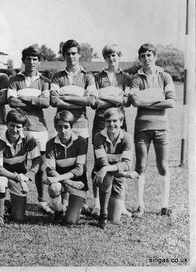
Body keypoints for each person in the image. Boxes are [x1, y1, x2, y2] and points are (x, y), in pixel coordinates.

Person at [50, 39, 96, 212]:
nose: (71, 57)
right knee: (62, 161)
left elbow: (91, 101)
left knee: (80, 164)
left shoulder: (88, 76)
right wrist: (79, 100)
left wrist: (66, 97)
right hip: (62, 125)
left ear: (79, 55)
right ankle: (64, 200)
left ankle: (81, 200)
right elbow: (54, 101)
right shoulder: (57, 76)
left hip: (80, 125)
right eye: (68, 54)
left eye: (74, 53)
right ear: (64, 55)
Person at [7, 45, 53, 215]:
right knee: (18, 163)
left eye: (35, 59)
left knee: (41, 166)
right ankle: (16, 200)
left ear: (39, 62)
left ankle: (42, 201)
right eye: (28, 59)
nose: (32, 62)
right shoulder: (14, 80)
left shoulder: (45, 81)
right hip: (19, 128)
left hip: (39, 128)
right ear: (23, 60)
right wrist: (36, 100)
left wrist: (24, 97)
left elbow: (46, 103)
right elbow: (12, 102)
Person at [130, 43, 175, 217]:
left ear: (155, 57)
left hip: (162, 128)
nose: (147, 59)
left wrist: (145, 102)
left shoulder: (165, 76)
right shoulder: (136, 78)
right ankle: (139, 205)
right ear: (139, 58)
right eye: (143, 56)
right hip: (142, 127)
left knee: (162, 165)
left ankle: (164, 205)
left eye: (150, 55)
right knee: (140, 165)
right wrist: (157, 100)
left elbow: (170, 102)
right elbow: (135, 102)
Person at [91, 44, 132, 217]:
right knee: (99, 162)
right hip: (101, 121)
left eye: (114, 55)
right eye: (108, 55)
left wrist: (104, 95)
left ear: (119, 56)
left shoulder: (127, 77)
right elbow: (94, 102)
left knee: (120, 160)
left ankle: (119, 203)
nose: (111, 58)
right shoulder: (97, 76)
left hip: (119, 122)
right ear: (105, 58)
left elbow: (126, 101)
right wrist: (115, 99)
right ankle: (97, 204)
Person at [0, 109, 41, 227]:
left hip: (20, 177)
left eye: (18, 127)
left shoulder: (29, 138)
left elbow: (37, 160)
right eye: (11, 125)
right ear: (6, 124)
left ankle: (8, 206)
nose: (14, 130)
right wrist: (17, 177)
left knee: (18, 217)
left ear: (23, 127)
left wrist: (27, 176)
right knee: (0, 181)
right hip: (5, 175)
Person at [93, 108, 139, 229]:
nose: (111, 124)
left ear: (121, 121)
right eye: (108, 121)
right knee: (107, 177)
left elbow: (127, 164)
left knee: (114, 219)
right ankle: (102, 214)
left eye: (115, 121)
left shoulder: (127, 138)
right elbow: (102, 163)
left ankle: (109, 207)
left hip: (117, 177)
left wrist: (111, 170)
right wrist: (124, 174)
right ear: (105, 122)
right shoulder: (98, 137)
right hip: (102, 175)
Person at [45, 110, 88, 225]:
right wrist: (69, 182)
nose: (63, 131)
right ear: (55, 127)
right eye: (59, 127)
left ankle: (73, 203)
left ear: (71, 127)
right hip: (63, 182)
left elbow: (79, 170)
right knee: (53, 188)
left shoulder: (81, 142)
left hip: (78, 183)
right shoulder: (50, 144)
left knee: (71, 221)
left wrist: (72, 183)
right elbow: (51, 171)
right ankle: (58, 211)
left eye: (66, 127)